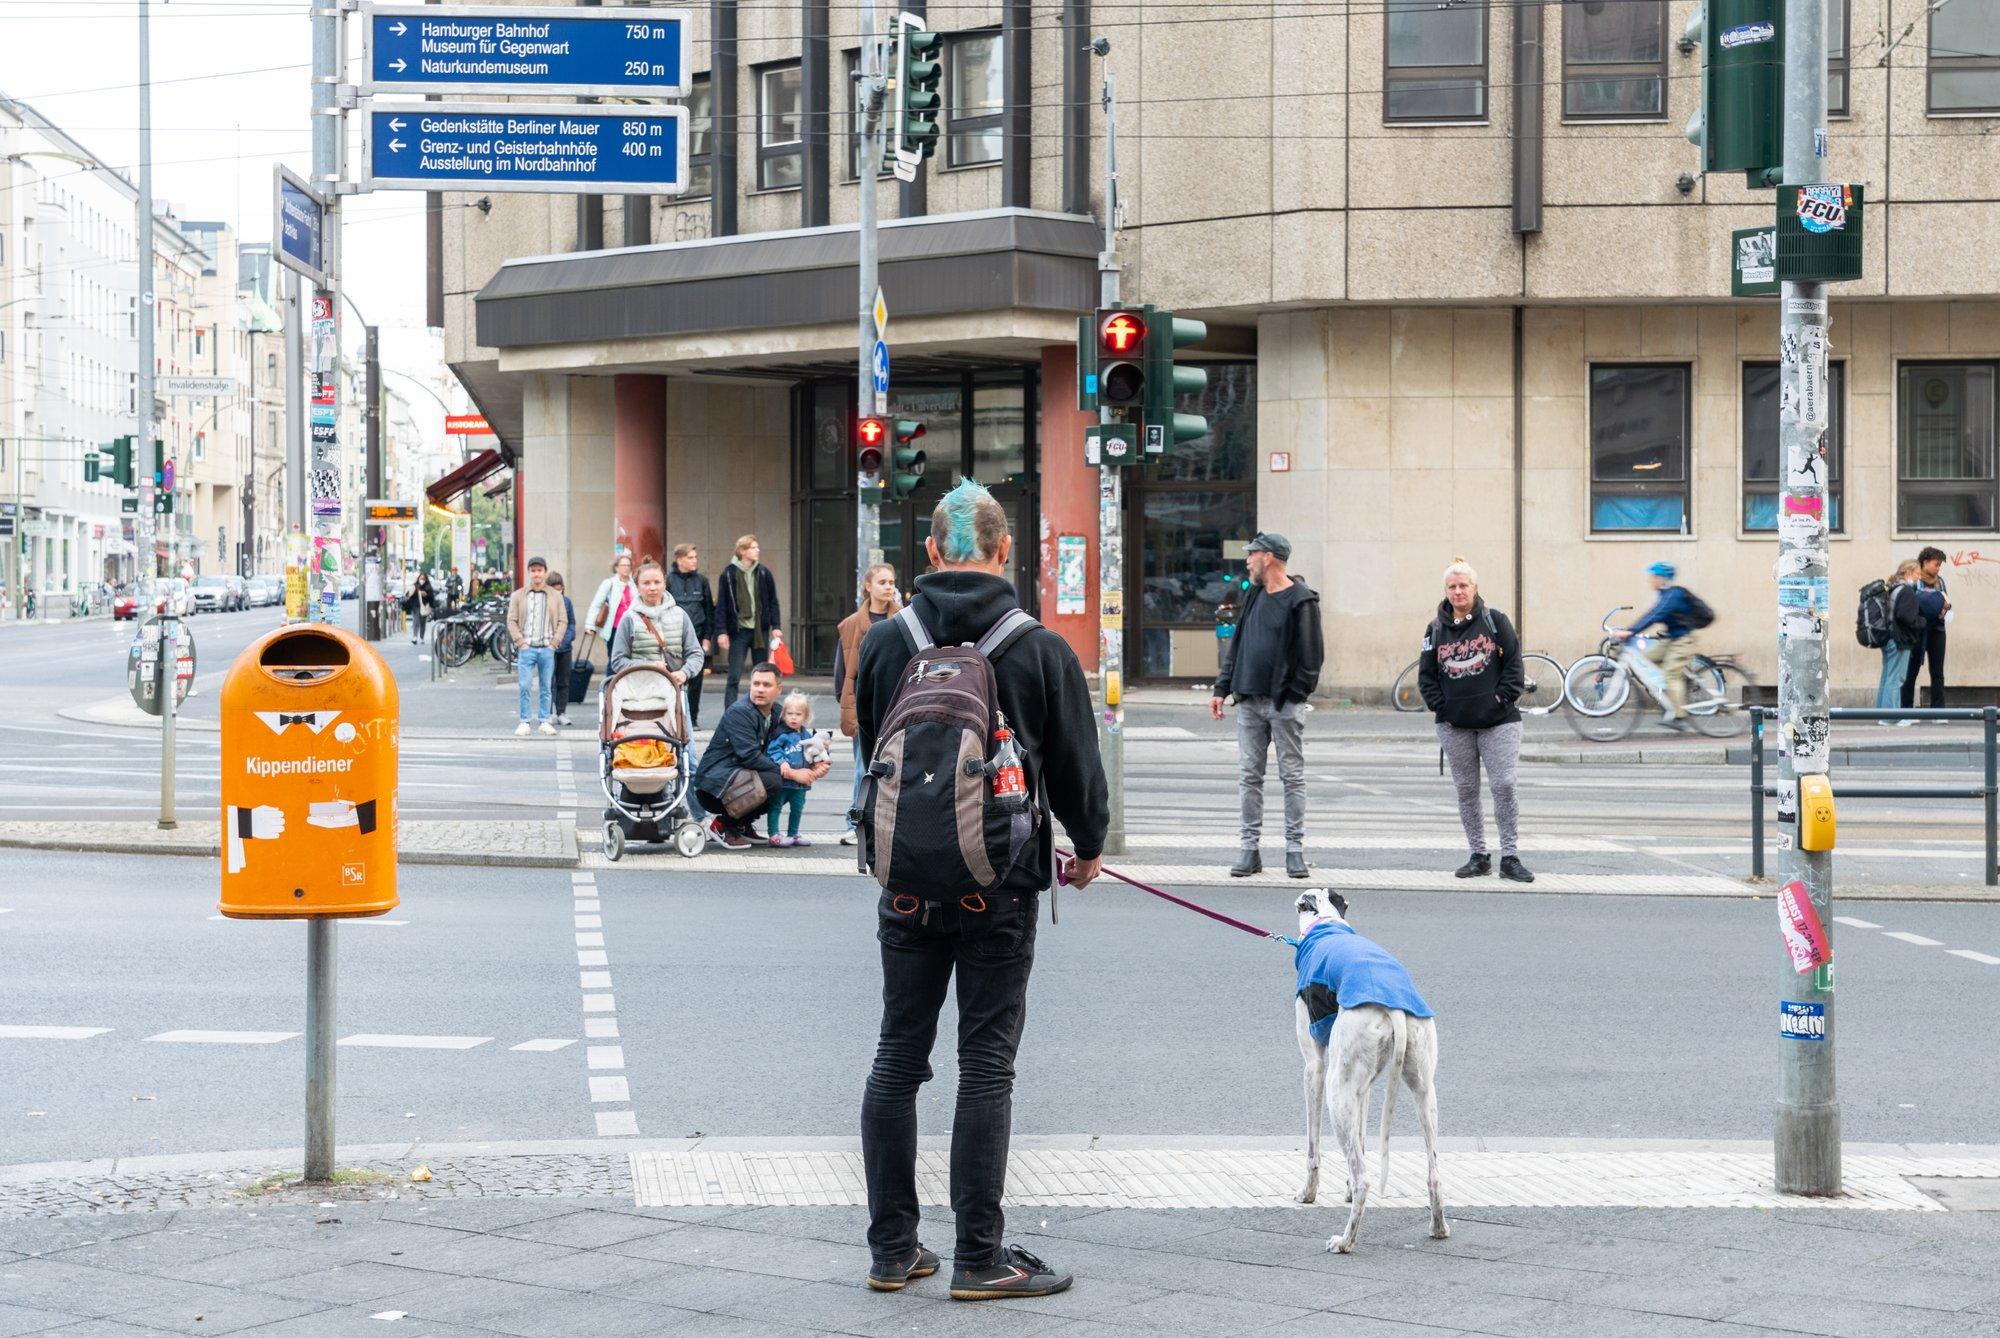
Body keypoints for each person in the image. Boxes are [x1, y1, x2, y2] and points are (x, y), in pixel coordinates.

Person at [854, 479, 1107, 1302]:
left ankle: (894, 1251)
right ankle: (978, 1258)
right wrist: (1089, 848)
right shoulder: (1038, 647)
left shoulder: (890, 640)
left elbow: (870, 753)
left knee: (897, 1057)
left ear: (930, 554)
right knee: (985, 1065)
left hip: (904, 887)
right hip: (999, 887)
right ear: (1006, 554)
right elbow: (1076, 771)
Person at [1210, 532, 1324, 880]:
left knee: (1292, 777)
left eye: (1252, 554)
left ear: (1269, 558)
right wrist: (1221, 688)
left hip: (1284, 705)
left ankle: (1294, 851)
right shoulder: (1254, 594)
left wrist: (1294, 696)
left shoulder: (1301, 600)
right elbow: (1239, 646)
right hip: (1248, 700)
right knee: (1249, 777)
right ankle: (1250, 850)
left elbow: (1312, 657)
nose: (1247, 560)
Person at [1418, 558, 1533, 883]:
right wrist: (1444, 708)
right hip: (1455, 725)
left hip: (1500, 722)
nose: (1458, 591)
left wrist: (1498, 701)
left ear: (1475, 588)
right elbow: (1426, 676)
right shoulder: (1435, 629)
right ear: (1446, 590)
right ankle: (1478, 855)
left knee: (1504, 786)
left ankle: (1510, 857)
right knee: (1467, 790)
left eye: (1463, 585)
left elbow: (1514, 668)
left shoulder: (1495, 621)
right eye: (1452, 586)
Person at [694, 662, 823, 849]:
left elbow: (797, 741)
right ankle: (725, 825)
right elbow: (750, 757)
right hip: (714, 787)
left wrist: (816, 764)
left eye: (766, 685)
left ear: (778, 689)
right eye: (756, 684)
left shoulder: (778, 712)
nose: (760, 689)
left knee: (784, 783)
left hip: (737, 778)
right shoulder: (740, 712)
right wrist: (793, 773)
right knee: (775, 781)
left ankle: (741, 824)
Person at [836, 563, 901, 847]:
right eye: (883, 582)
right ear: (868, 586)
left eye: (892, 582)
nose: (888, 586)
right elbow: (843, 671)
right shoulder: (852, 624)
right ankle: (856, 822)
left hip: (896, 705)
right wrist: (845, 701)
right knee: (863, 767)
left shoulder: (905, 619)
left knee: (896, 767)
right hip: (864, 707)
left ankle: (890, 822)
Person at [1613, 562, 1702, 729]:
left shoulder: (1673, 595)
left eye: (1653, 576)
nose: (1650, 580)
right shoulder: (1665, 595)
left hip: (1684, 640)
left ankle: (1680, 717)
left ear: (1662, 578)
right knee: (1645, 659)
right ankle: (1675, 693)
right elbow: (1651, 613)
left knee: (1670, 674)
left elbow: (1655, 615)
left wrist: (1630, 632)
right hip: (1672, 640)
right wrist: (1630, 630)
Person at [607, 556, 704, 680]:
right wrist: (648, 666)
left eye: (657, 582)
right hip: (636, 692)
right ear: (637, 586)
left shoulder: (680, 614)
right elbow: (617, 661)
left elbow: (695, 654)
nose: (652, 588)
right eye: (646, 583)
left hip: (672, 689)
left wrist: (684, 673)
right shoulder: (629, 618)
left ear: (664, 584)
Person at [714, 534, 783, 702]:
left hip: (760, 631)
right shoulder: (729, 574)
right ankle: (730, 715)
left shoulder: (763, 572)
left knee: (764, 675)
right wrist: (721, 632)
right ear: (742, 551)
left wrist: (776, 626)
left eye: (757, 547)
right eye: (753, 547)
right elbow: (722, 605)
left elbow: (773, 601)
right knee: (734, 677)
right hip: (739, 632)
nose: (757, 550)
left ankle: (763, 711)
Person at [507, 557, 567, 737]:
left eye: (539, 570)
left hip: (547, 648)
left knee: (546, 686)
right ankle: (524, 721)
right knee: (524, 685)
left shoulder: (555, 596)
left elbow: (563, 620)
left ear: (545, 572)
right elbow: (511, 620)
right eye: (533, 571)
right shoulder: (518, 595)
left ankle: (544, 720)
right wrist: (520, 642)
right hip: (527, 648)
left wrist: (554, 643)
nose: (536, 574)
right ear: (529, 573)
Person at [667, 544, 717, 728]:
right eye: (690, 557)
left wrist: (707, 637)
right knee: (674, 680)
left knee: (696, 681)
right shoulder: (668, 581)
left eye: (695, 557)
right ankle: (674, 718)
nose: (695, 560)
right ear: (680, 560)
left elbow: (709, 612)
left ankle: (692, 719)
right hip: (673, 640)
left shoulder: (702, 581)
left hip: (696, 638)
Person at [763, 691, 820, 847]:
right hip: (783, 780)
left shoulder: (806, 735)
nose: (794, 717)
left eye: (798, 714)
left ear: (806, 716)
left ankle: (793, 833)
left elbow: (813, 752)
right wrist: (782, 762)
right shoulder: (781, 734)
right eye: (790, 714)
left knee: (797, 808)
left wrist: (818, 762)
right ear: (784, 715)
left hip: (800, 784)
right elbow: (773, 750)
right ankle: (774, 834)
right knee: (775, 806)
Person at [1902, 546, 1951, 711]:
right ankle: (1906, 709)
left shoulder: (1940, 581)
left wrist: (1945, 608)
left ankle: (1938, 711)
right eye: (1936, 564)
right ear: (1925, 562)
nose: (1938, 568)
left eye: (1939, 565)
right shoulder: (1916, 581)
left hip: (1937, 630)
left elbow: (1946, 602)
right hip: (1918, 631)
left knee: (1937, 672)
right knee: (1911, 670)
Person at [1878, 559, 1926, 720]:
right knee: (1896, 679)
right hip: (1899, 640)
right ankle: (1892, 718)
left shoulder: (1893, 588)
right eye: (1917, 574)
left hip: (1888, 639)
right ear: (1907, 572)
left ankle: (1882, 715)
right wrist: (1922, 621)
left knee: (1887, 678)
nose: (1919, 578)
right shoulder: (1906, 591)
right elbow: (1905, 616)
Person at [583, 552, 638, 669]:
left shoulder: (634, 585)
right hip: (614, 629)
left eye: (628, 565)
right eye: (623, 565)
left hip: (632, 628)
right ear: (616, 567)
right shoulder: (609, 583)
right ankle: (611, 685)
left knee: (631, 659)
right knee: (614, 659)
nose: (626, 568)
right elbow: (596, 605)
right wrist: (590, 625)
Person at [547, 572, 578, 728]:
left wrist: (566, 639)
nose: (557, 591)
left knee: (564, 681)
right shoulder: (544, 602)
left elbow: (572, 624)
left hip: (565, 648)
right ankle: (549, 712)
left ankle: (561, 712)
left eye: (559, 588)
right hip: (548, 647)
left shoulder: (567, 602)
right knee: (549, 681)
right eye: (554, 588)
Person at [409, 570, 435, 643]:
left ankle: (422, 637)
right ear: (418, 578)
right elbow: (410, 595)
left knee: (423, 623)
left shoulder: (428, 587)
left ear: (426, 579)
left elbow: (431, 598)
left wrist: (426, 595)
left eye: (423, 579)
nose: (422, 580)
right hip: (416, 606)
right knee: (415, 621)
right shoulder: (415, 586)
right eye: (421, 578)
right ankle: (415, 637)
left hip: (424, 607)